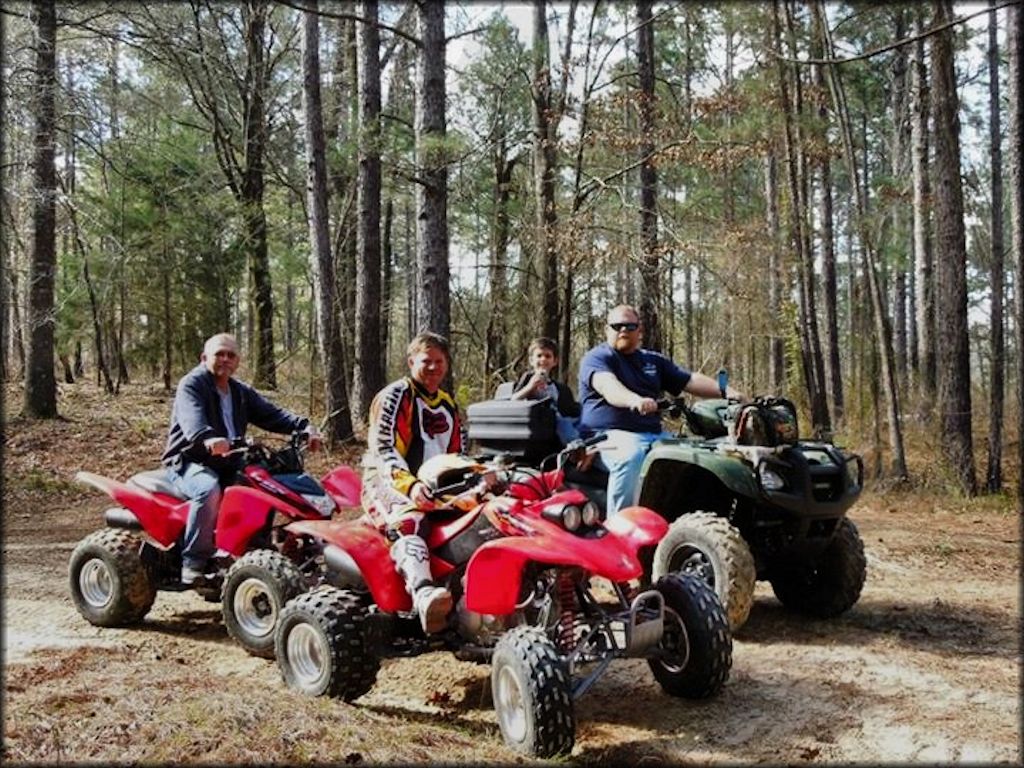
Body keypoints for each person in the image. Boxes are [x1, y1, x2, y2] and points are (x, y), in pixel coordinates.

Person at [161, 333, 321, 586]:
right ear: (204, 358)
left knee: (263, 485)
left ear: (237, 361)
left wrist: (304, 427)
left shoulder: (239, 391)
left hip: (227, 460)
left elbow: (272, 415)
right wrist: (208, 438)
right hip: (189, 461)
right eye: (219, 354)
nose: (225, 359)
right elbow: (193, 422)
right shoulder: (192, 385)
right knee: (208, 490)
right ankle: (194, 562)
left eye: (231, 355)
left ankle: (252, 548)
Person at [578, 304, 744, 516]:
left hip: (653, 434)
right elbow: (607, 386)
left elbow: (689, 380)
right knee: (632, 457)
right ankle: (621, 528)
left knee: (698, 455)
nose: (623, 330)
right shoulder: (598, 358)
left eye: (630, 326)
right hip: (607, 436)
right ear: (606, 329)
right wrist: (634, 400)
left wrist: (727, 391)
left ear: (640, 330)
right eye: (617, 326)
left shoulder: (653, 361)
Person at [361, 331, 466, 634]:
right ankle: (423, 595)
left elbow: (458, 453)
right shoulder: (396, 395)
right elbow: (384, 449)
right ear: (411, 362)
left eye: (439, 361)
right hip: (385, 481)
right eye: (426, 361)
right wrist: (409, 485)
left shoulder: (448, 404)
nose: (433, 368)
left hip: (436, 486)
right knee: (411, 520)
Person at [510, 336, 581, 445]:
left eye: (548, 356)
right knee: (563, 422)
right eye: (539, 356)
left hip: (559, 420)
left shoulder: (559, 388)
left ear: (555, 361)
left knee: (583, 420)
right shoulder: (528, 378)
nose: (543, 359)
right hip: (541, 420)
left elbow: (571, 409)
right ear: (531, 360)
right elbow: (513, 400)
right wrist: (530, 387)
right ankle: (575, 445)